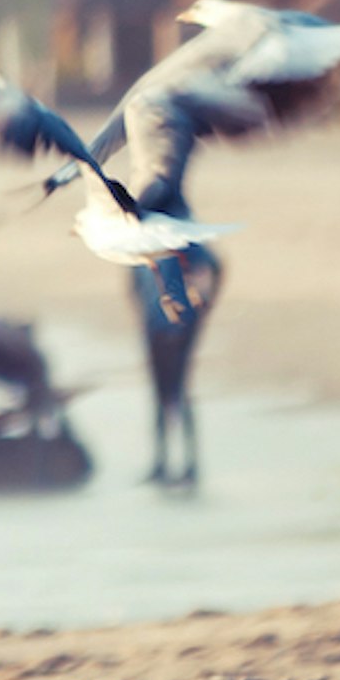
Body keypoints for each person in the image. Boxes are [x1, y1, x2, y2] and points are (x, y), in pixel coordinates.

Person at [130, 179, 223, 488]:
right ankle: (162, 462)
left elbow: (213, 268)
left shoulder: (184, 236)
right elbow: (132, 280)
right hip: (153, 324)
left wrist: (200, 311)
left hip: (178, 327)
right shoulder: (142, 237)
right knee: (161, 395)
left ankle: (189, 464)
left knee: (178, 393)